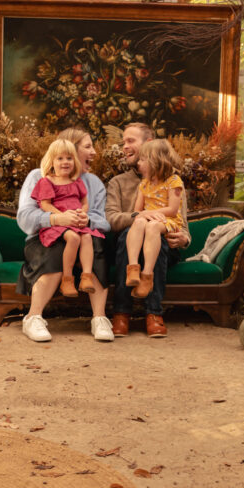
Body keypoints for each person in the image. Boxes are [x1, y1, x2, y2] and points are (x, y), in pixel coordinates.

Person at [16, 127, 114, 343]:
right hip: (44, 237)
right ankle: (33, 317)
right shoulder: (38, 177)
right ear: (68, 149)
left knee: (96, 242)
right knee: (56, 249)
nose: (94, 152)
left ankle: (100, 318)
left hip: (82, 235)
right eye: (88, 147)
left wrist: (84, 219)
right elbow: (24, 217)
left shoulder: (93, 183)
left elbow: (102, 221)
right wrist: (56, 219)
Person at [105, 122, 190, 338]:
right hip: (128, 247)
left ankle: (153, 313)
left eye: (130, 141)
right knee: (129, 232)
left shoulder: (173, 183)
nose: (124, 146)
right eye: (123, 142)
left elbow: (183, 225)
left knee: (159, 236)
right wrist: (138, 215)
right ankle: (121, 313)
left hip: (162, 244)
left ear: (149, 145)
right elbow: (111, 219)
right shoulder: (118, 183)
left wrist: (183, 239)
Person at [31, 138, 104, 298]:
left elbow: (84, 202)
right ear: (52, 161)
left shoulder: (76, 182)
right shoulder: (47, 181)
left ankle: (86, 277)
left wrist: (83, 213)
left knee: (87, 237)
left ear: (75, 161)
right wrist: (61, 216)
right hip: (59, 223)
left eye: (69, 158)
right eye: (60, 158)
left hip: (76, 220)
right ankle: (67, 279)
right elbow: (45, 204)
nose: (65, 162)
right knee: (73, 238)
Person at [125, 138, 185, 300]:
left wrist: (152, 213)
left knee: (152, 227)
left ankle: (147, 275)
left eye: (143, 160)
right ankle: (133, 268)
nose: (138, 163)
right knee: (138, 222)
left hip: (168, 222)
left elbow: (172, 210)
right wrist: (144, 214)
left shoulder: (174, 181)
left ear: (156, 162)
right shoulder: (144, 184)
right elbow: (137, 211)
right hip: (149, 219)